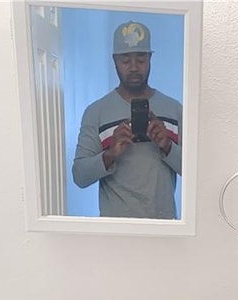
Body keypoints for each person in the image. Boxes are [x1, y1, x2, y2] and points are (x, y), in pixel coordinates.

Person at [72, 21, 182, 219]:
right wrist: (111, 153)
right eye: (125, 60)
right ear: (114, 60)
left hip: (165, 229)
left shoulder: (174, 110)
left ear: (150, 59)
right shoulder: (96, 112)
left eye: (140, 59)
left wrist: (167, 146)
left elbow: (195, 172)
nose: (133, 67)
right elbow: (79, 176)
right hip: (115, 231)